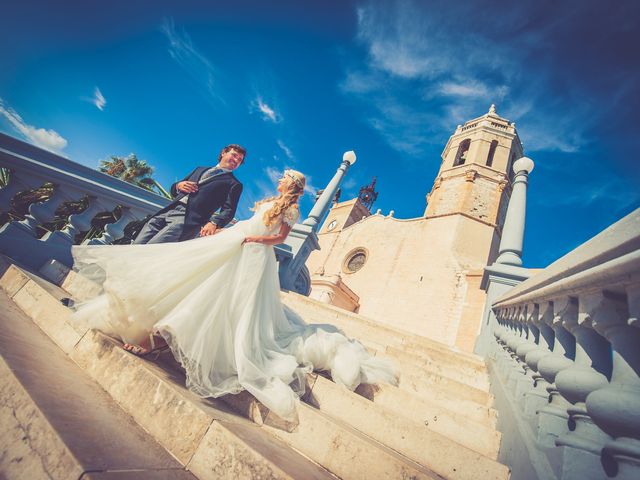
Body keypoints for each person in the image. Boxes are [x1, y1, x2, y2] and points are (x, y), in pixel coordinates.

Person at [70, 170, 397, 422]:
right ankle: (155, 334)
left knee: (224, 301)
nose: (280, 179)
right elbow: (247, 222)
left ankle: (158, 340)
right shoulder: (269, 201)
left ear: (292, 185)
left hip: (252, 254)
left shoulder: (292, 210)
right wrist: (225, 231)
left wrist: (256, 242)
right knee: (192, 283)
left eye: (285, 178)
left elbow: (279, 236)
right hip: (233, 244)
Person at [133, 144, 245, 244]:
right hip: (166, 211)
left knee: (152, 251)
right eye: (234, 155)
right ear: (223, 153)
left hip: (187, 220)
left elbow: (229, 210)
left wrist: (215, 223)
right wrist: (178, 186)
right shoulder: (199, 169)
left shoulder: (234, 184)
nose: (236, 160)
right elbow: (173, 191)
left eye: (240, 160)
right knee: (137, 245)